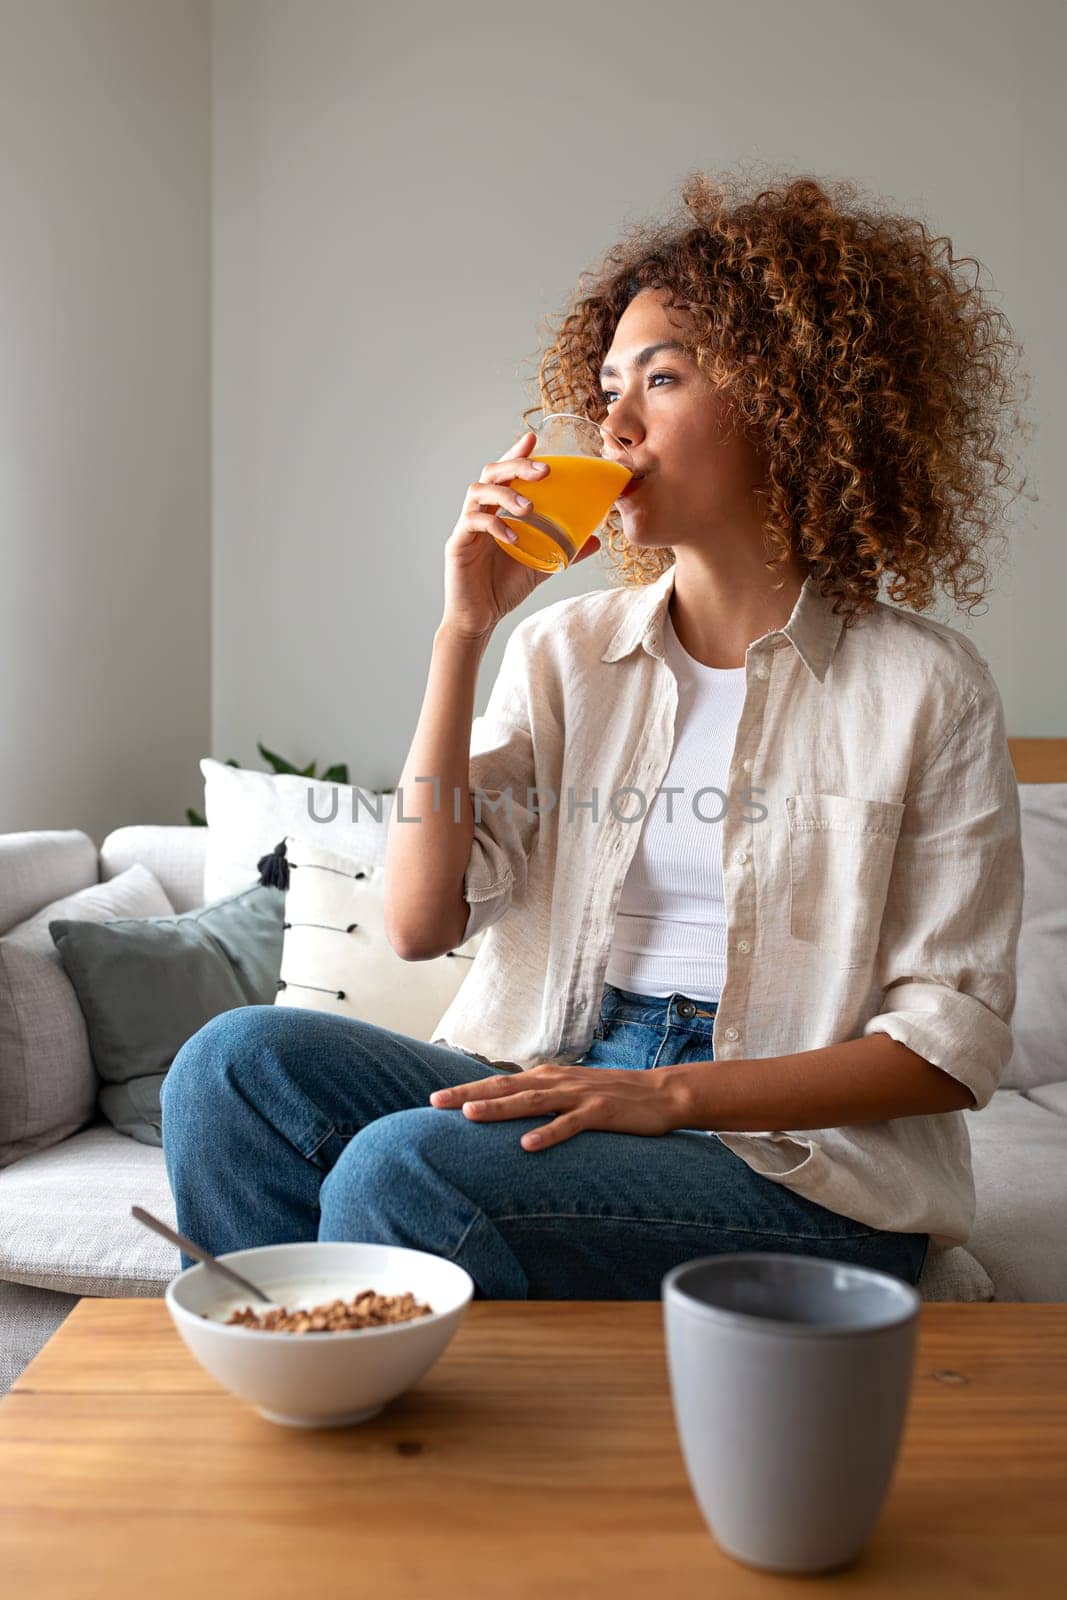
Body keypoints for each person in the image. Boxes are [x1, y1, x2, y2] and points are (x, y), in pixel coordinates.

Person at [162, 169, 1030, 1299]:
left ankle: (376, 1417)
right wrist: (463, 630)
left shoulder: (925, 684)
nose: (612, 423)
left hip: (797, 1168)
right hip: (567, 1071)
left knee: (409, 1168)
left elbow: (940, 1049)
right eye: (607, 384)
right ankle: (312, 1391)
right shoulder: (566, 652)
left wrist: (667, 1095)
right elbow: (420, 922)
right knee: (231, 1066)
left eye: (659, 380)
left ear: (790, 399)